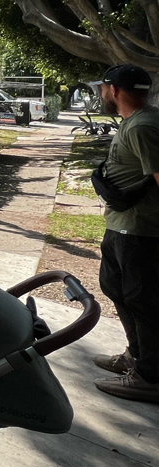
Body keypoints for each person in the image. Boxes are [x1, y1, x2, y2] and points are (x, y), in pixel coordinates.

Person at [90, 64, 159, 404]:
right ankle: (138, 357)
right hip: (122, 225)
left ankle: (150, 376)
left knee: (142, 300)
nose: (102, 95)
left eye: (103, 88)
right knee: (118, 289)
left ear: (114, 90)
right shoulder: (137, 121)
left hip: (140, 230)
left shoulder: (144, 126)